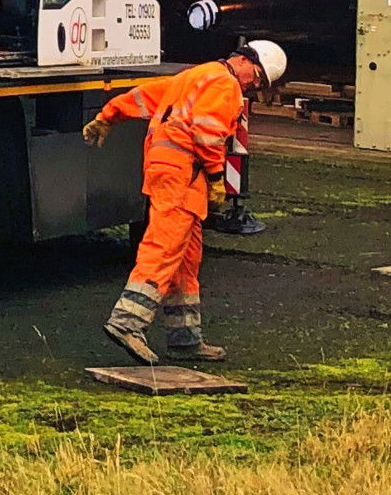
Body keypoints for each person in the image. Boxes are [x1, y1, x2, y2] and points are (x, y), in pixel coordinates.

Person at [81, 39, 286, 364]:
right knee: (164, 247)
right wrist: (217, 178)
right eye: (257, 78)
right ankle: (127, 322)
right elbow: (207, 132)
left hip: (168, 171)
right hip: (183, 174)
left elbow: (144, 96)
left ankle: (185, 338)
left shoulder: (196, 75)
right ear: (246, 61)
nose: (253, 86)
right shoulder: (226, 84)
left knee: (186, 258)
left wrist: (108, 116)